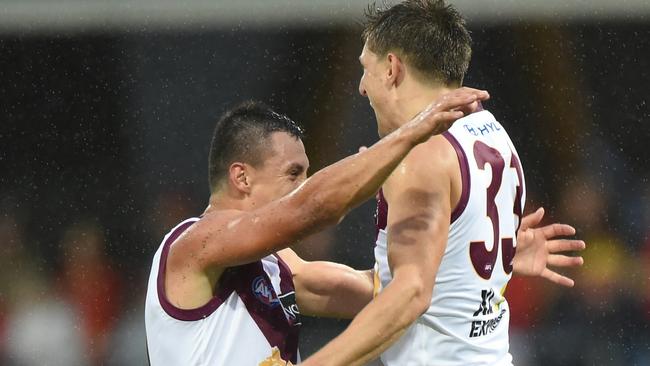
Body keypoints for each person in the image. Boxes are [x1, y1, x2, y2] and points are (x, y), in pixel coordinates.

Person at [302, 1, 586, 365]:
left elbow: (411, 292)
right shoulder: (494, 133)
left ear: (391, 68)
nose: (361, 87)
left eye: (365, 69)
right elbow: (430, 279)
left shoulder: (422, 155)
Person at [144, 91, 489, 365]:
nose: (303, 185)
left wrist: (481, 251)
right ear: (242, 177)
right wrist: (410, 134)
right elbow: (313, 208)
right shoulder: (195, 242)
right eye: (293, 174)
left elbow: (384, 291)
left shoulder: (278, 267)